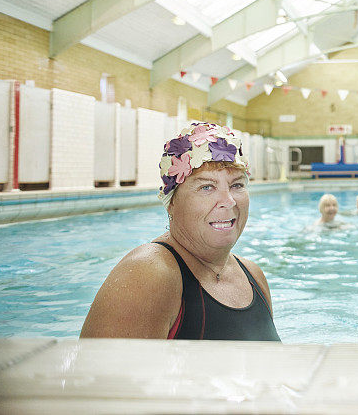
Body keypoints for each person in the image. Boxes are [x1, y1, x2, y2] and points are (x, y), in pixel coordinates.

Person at [80, 122, 279, 341]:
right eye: (206, 187)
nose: (228, 201)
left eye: (237, 185)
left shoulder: (253, 276)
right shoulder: (149, 274)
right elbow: (95, 374)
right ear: (171, 201)